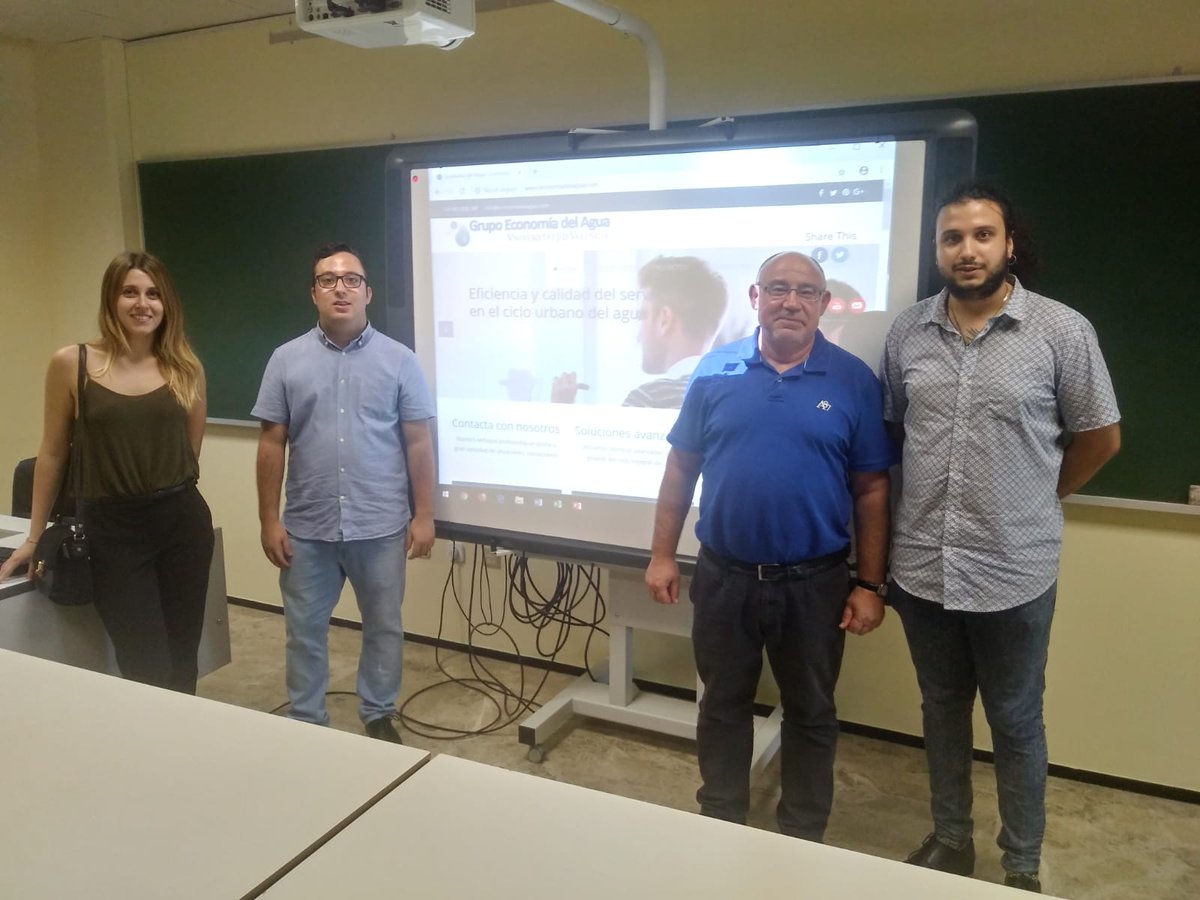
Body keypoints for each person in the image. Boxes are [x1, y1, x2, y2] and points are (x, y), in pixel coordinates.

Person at [881, 182, 1121, 893]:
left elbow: (1101, 438)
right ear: (937, 250)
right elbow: (895, 433)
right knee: (941, 710)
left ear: (1010, 244)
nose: (967, 249)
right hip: (922, 566)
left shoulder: (1061, 331)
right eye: (952, 237)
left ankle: (1020, 865)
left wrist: (1041, 494)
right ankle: (951, 839)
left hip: (1015, 569)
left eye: (983, 235)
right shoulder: (907, 333)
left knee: (1016, 720)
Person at [645, 251, 895, 841]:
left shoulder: (854, 381)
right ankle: (721, 819)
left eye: (806, 292)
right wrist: (661, 554)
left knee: (811, 711)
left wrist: (870, 584)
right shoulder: (714, 370)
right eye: (778, 288)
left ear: (824, 304)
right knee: (721, 705)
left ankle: (802, 834)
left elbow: (872, 489)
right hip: (724, 577)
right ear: (756, 298)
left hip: (815, 584)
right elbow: (681, 467)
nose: (791, 301)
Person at [0, 251, 214, 693]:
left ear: (167, 303)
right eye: (130, 292)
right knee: (143, 664)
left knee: (182, 659)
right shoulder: (73, 363)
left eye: (154, 294)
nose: (143, 304)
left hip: (182, 524)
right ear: (111, 300)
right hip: (113, 532)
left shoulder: (185, 367)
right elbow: (53, 454)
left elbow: (189, 452)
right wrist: (35, 538)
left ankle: (182, 733)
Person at [253, 242, 435, 743]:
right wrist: (269, 519)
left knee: (383, 627)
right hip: (306, 528)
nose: (341, 288)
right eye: (328, 280)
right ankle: (308, 719)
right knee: (304, 631)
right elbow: (270, 443)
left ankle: (378, 712)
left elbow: (418, 442)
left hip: (380, 525)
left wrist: (424, 515)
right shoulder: (285, 360)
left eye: (351, 279)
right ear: (314, 292)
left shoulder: (400, 361)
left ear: (367, 292)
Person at [552, 255, 727, 408]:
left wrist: (561, 412)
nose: (638, 337)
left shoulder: (649, 400)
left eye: (642, 316)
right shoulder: (733, 394)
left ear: (664, 320)